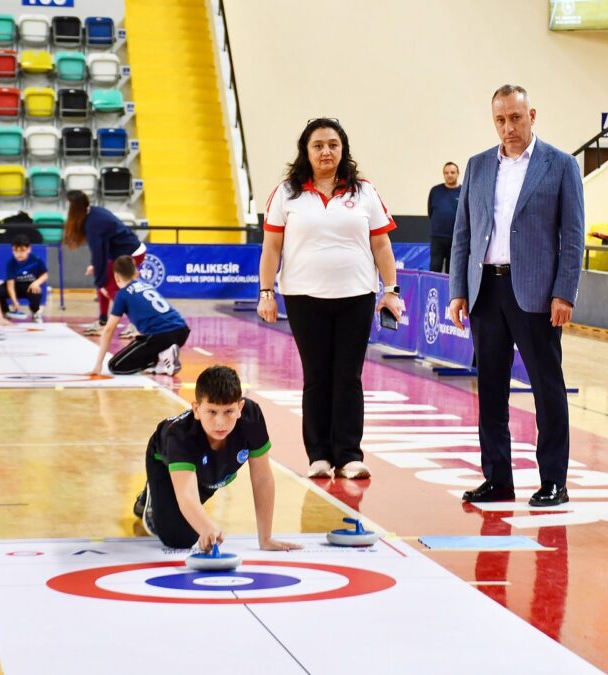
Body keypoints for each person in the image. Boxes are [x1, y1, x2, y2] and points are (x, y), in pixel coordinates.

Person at [447, 84, 584, 508]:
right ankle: (497, 478)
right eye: (500, 120)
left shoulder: (560, 165)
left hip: (537, 294)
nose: (508, 127)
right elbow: (463, 234)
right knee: (489, 390)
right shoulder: (478, 165)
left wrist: (564, 292)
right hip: (486, 289)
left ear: (533, 115)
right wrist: (458, 290)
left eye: (516, 118)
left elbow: (573, 236)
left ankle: (554, 482)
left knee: (547, 389)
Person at [258, 118, 402, 481]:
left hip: (356, 297)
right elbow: (271, 247)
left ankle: (349, 455)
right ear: (306, 151)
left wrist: (390, 290)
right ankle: (319, 455)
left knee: (348, 377)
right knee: (317, 377)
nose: (326, 151)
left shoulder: (365, 192)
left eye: (333, 145)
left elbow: (381, 244)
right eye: (318, 145)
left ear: (343, 149)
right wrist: (266, 293)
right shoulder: (286, 194)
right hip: (304, 299)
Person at [134, 365, 301, 553]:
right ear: (196, 409)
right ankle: (150, 496)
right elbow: (187, 495)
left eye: (228, 411)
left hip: (209, 475)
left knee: (199, 506)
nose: (220, 422)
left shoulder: (251, 417)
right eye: (212, 412)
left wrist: (266, 538)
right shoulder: (180, 436)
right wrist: (207, 528)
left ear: (240, 408)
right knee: (179, 538)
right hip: (164, 463)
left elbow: (262, 479)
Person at [61, 190, 145, 337]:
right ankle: (102, 321)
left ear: (75, 208)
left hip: (132, 252)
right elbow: (103, 248)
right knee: (103, 282)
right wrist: (98, 273)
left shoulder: (93, 223)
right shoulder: (92, 214)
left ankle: (138, 324)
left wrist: (100, 281)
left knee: (110, 287)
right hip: (122, 251)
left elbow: (99, 252)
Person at [88, 255, 189, 376]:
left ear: (116, 277)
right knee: (138, 342)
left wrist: (98, 364)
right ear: (135, 272)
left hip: (162, 336)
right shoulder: (146, 285)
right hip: (182, 331)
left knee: (115, 366)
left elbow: (109, 330)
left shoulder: (122, 295)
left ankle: (163, 355)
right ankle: (162, 361)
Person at [0, 234, 48, 322]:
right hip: (15, 286)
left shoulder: (36, 260)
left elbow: (45, 274)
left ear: (29, 249)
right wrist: (14, 301)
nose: (19, 254)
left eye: (22, 251)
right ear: (12, 250)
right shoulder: (11, 263)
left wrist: (36, 283)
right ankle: (5, 312)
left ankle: (35, 312)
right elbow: (10, 285)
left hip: (29, 286)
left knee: (36, 290)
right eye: (16, 251)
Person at [428, 162, 462, 273]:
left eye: (452, 172)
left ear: (458, 174)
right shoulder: (435, 191)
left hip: (456, 238)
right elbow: (430, 211)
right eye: (446, 173)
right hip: (437, 238)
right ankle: (432, 290)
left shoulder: (463, 192)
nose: (449, 175)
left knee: (452, 270)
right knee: (435, 267)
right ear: (443, 174)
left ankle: (450, 291)